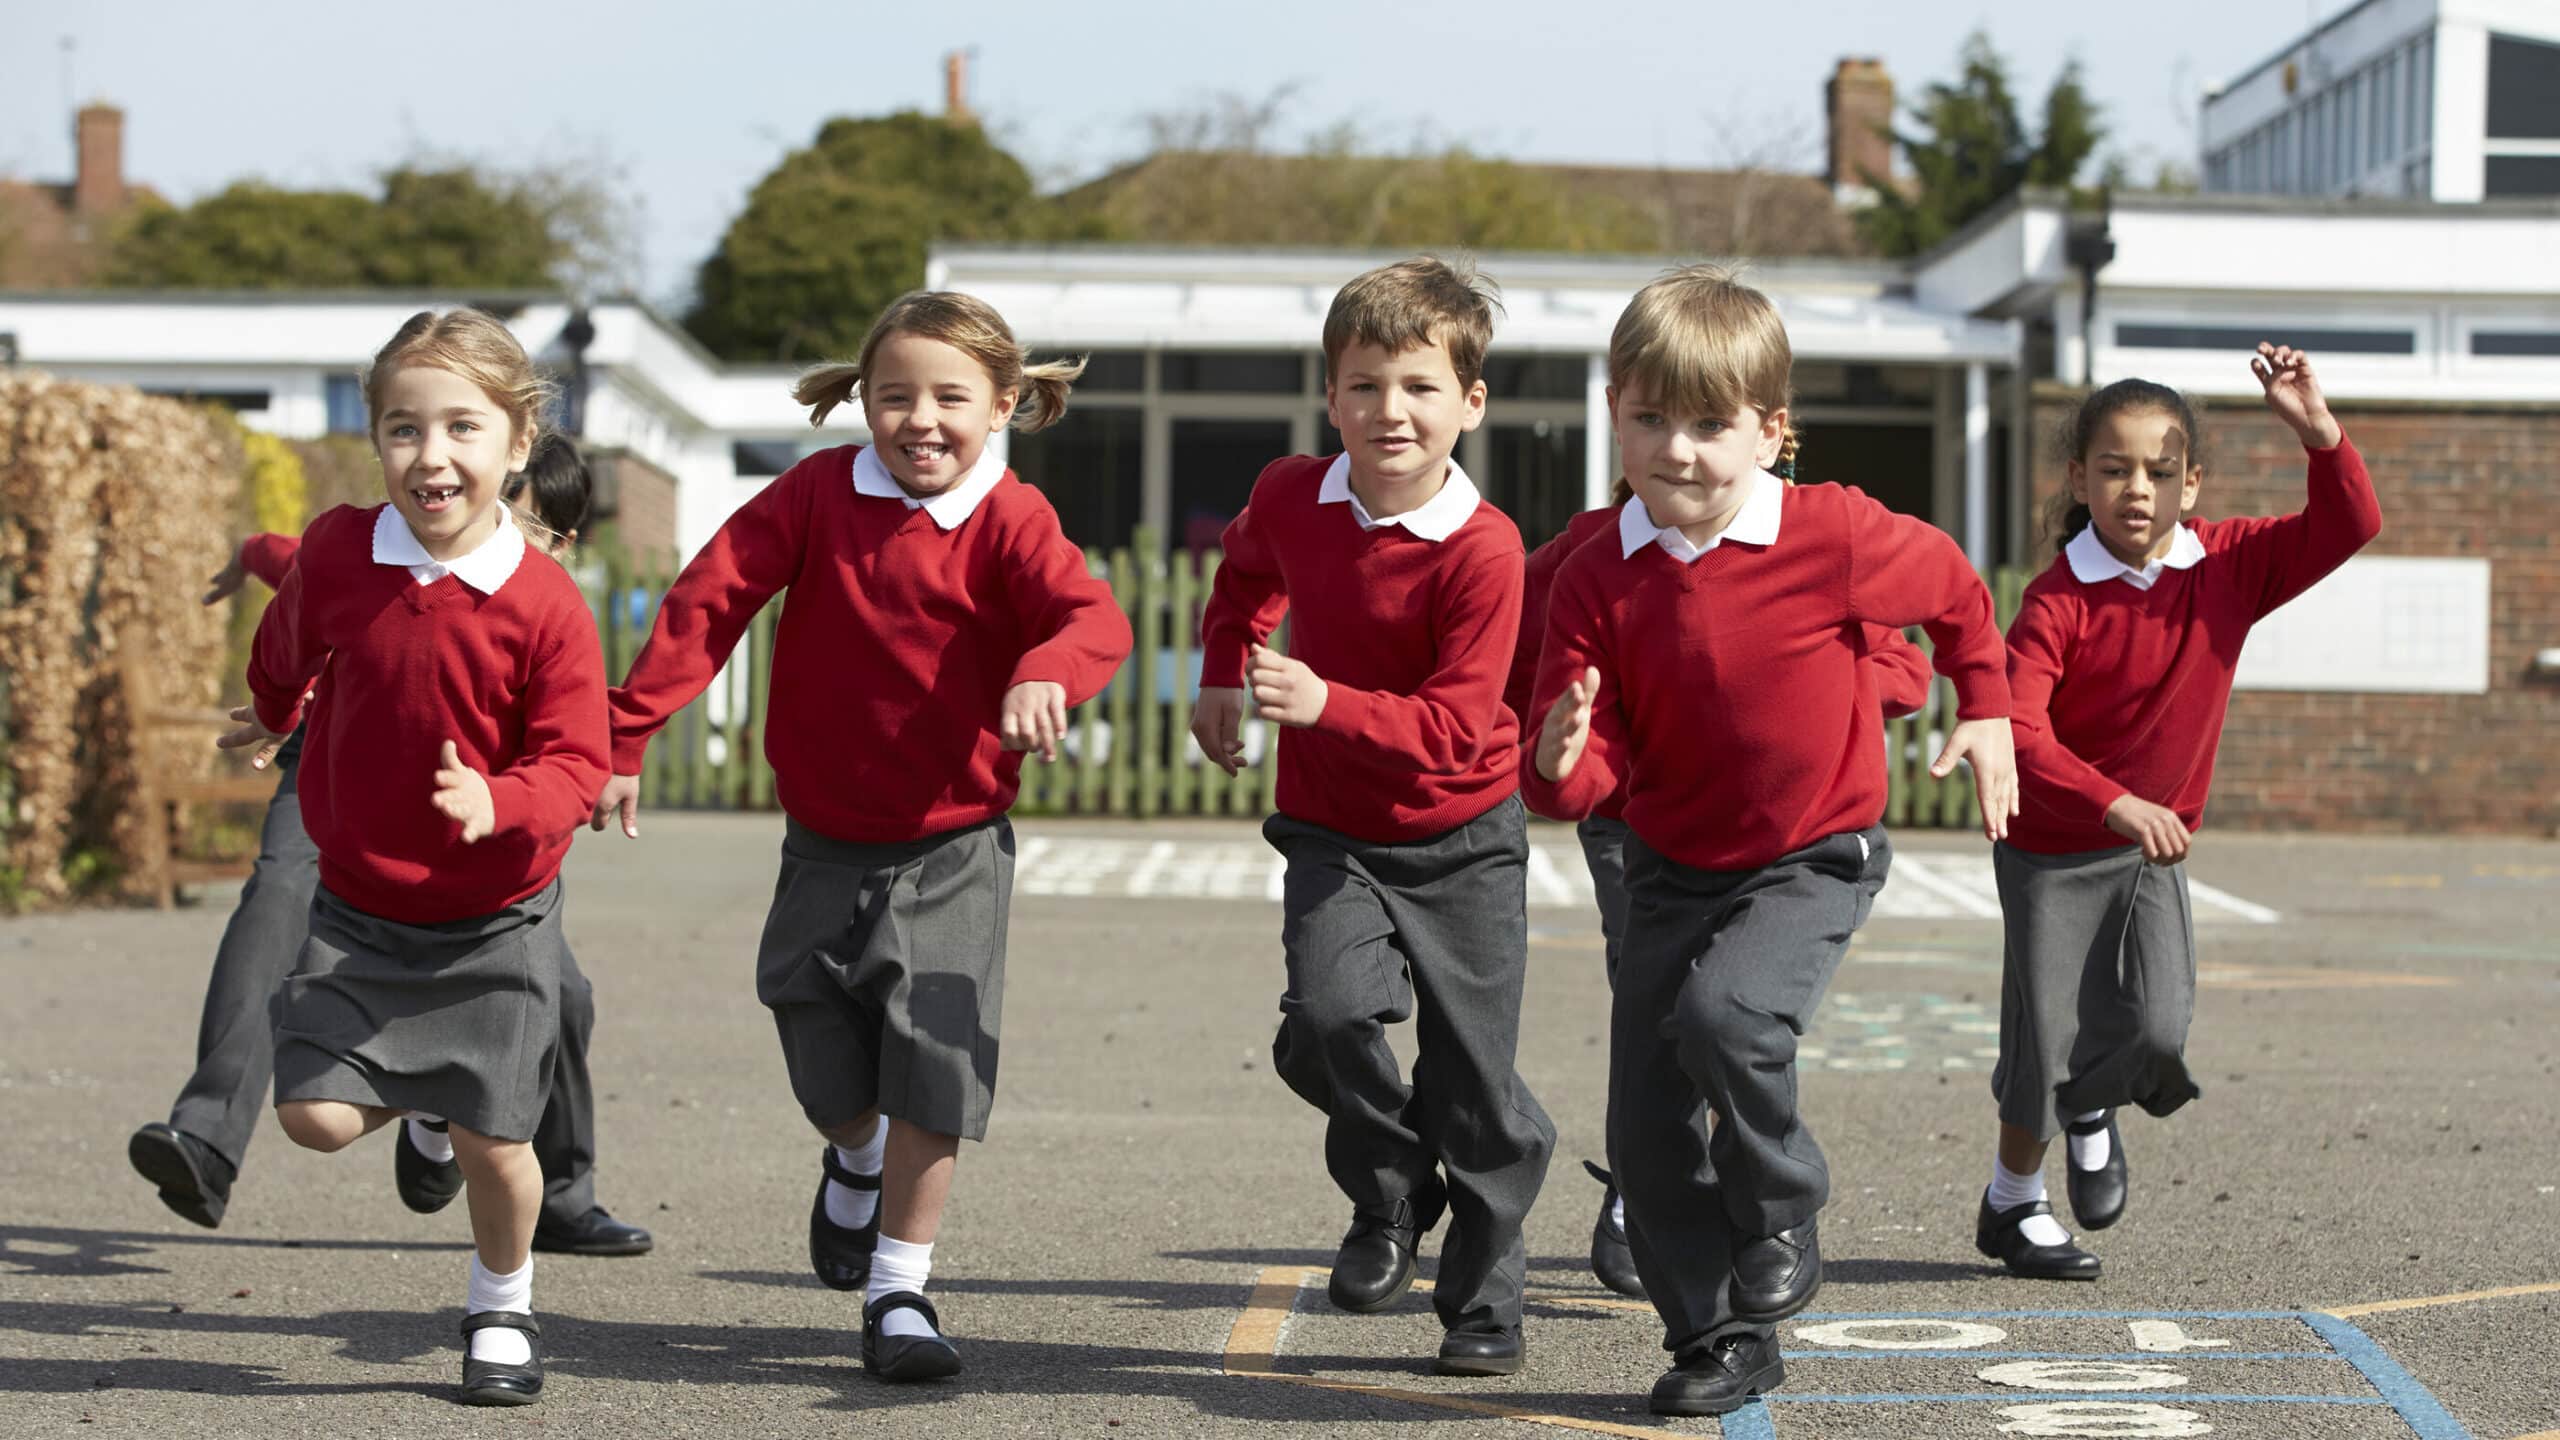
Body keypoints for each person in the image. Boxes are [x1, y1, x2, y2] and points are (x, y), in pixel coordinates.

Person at [591, 291, 1131, 1382]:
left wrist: (1045, 672)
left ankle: (901, 1293)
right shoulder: (818, 495)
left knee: (935, 1060)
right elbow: (708, 600)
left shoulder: (1010, 519)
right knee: (826, 1069)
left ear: (1004, 405)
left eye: (950, 398)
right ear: (863, 400)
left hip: (954, 845)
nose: (920, 420)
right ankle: (854, 1158)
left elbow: (1092, 620)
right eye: (895, 396)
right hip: (825, 843)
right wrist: (625, 731)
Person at [1523, 265, 2017, 1417]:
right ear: (1614, 412)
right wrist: (1555, 760)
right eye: (1650, 419)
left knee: (1726, 1017)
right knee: (1644, 1132)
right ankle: (1716, 1338)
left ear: (1769, 432)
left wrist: (1986, 704)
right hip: (1670, 866)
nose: (1678, 451)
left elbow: (1953, 593)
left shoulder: (1834, 532)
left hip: (1813, 852)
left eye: (1708, 425)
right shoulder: (1596, 572)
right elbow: (1587, 778)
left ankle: (1784, 1197)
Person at [130, 434, 651, 1261]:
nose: (490, 529)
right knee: (277, 903)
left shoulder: (540, 607)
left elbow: (575, 742)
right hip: (344, 774)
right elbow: (294, 564)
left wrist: (583, 772)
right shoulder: (376, 548)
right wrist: (247, 560)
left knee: (566, 996)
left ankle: (551, 1189)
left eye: (524, 524)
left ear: (559, 541)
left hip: (474, 808)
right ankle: (206, 1133)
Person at [225, 309, 612, 1405]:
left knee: (498, 1144)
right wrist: (269, 707)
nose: (431, 457)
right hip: (358, 910)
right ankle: (429, 1105)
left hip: (495, 919)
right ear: (374, 435)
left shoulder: (543, 603)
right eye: (403, 429)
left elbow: (576, 759)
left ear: (517, 440)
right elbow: (289, 634)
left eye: (461, 428)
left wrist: (504, 799)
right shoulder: (345, 548)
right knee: (312, 1118)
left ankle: (501, 1308)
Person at [1192, 256, 1552, 1378]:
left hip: (1463, 837)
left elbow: (1457, 726)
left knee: (1473, 1080)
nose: (1388, 411)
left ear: (1469, 403)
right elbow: (1244, 574)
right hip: (1333, 831)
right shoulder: (1294, 492)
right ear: (1329, 395)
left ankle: (1485, 1301)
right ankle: (1391, 1192)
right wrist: (1221, 670)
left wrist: (1323, 701)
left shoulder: (1486, 552)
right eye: (1361, 385)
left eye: (1416, 386)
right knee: (1330, 1020)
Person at [1977, 346, 2379, 1280]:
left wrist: (2316, 427)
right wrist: (2113, 802)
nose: (2137, 490)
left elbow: (2351, 520)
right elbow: (2018, 733)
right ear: (2079, 477)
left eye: (2161, 471)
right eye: (2113, 469)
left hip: (2152, 850)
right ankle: (2012, 1204)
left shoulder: (2231, 566)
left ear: (2192, 484)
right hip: (2054, 849)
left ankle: (2095, 1106)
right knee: (2044, 1034)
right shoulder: (2054, 602)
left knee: (2158, 1030)